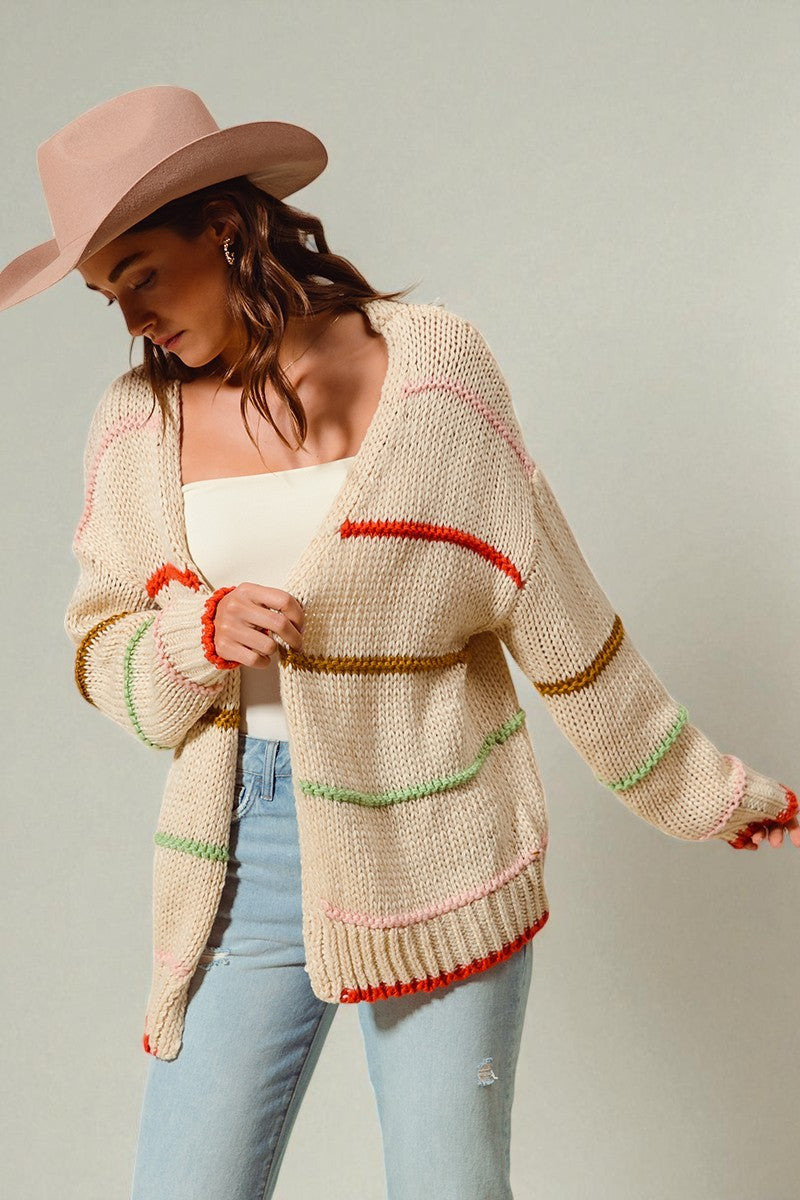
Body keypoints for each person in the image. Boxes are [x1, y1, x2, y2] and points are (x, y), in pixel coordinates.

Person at [1, 85, 796, 1200]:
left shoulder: (435, 371)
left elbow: (557, 611)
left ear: (223, 229)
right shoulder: (134, 427)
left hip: (442, 835)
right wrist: (194, 638)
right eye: (105, 296)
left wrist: (705, 793)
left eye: (141, 275)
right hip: (241, 850)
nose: (132, 320)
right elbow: (98, 650)